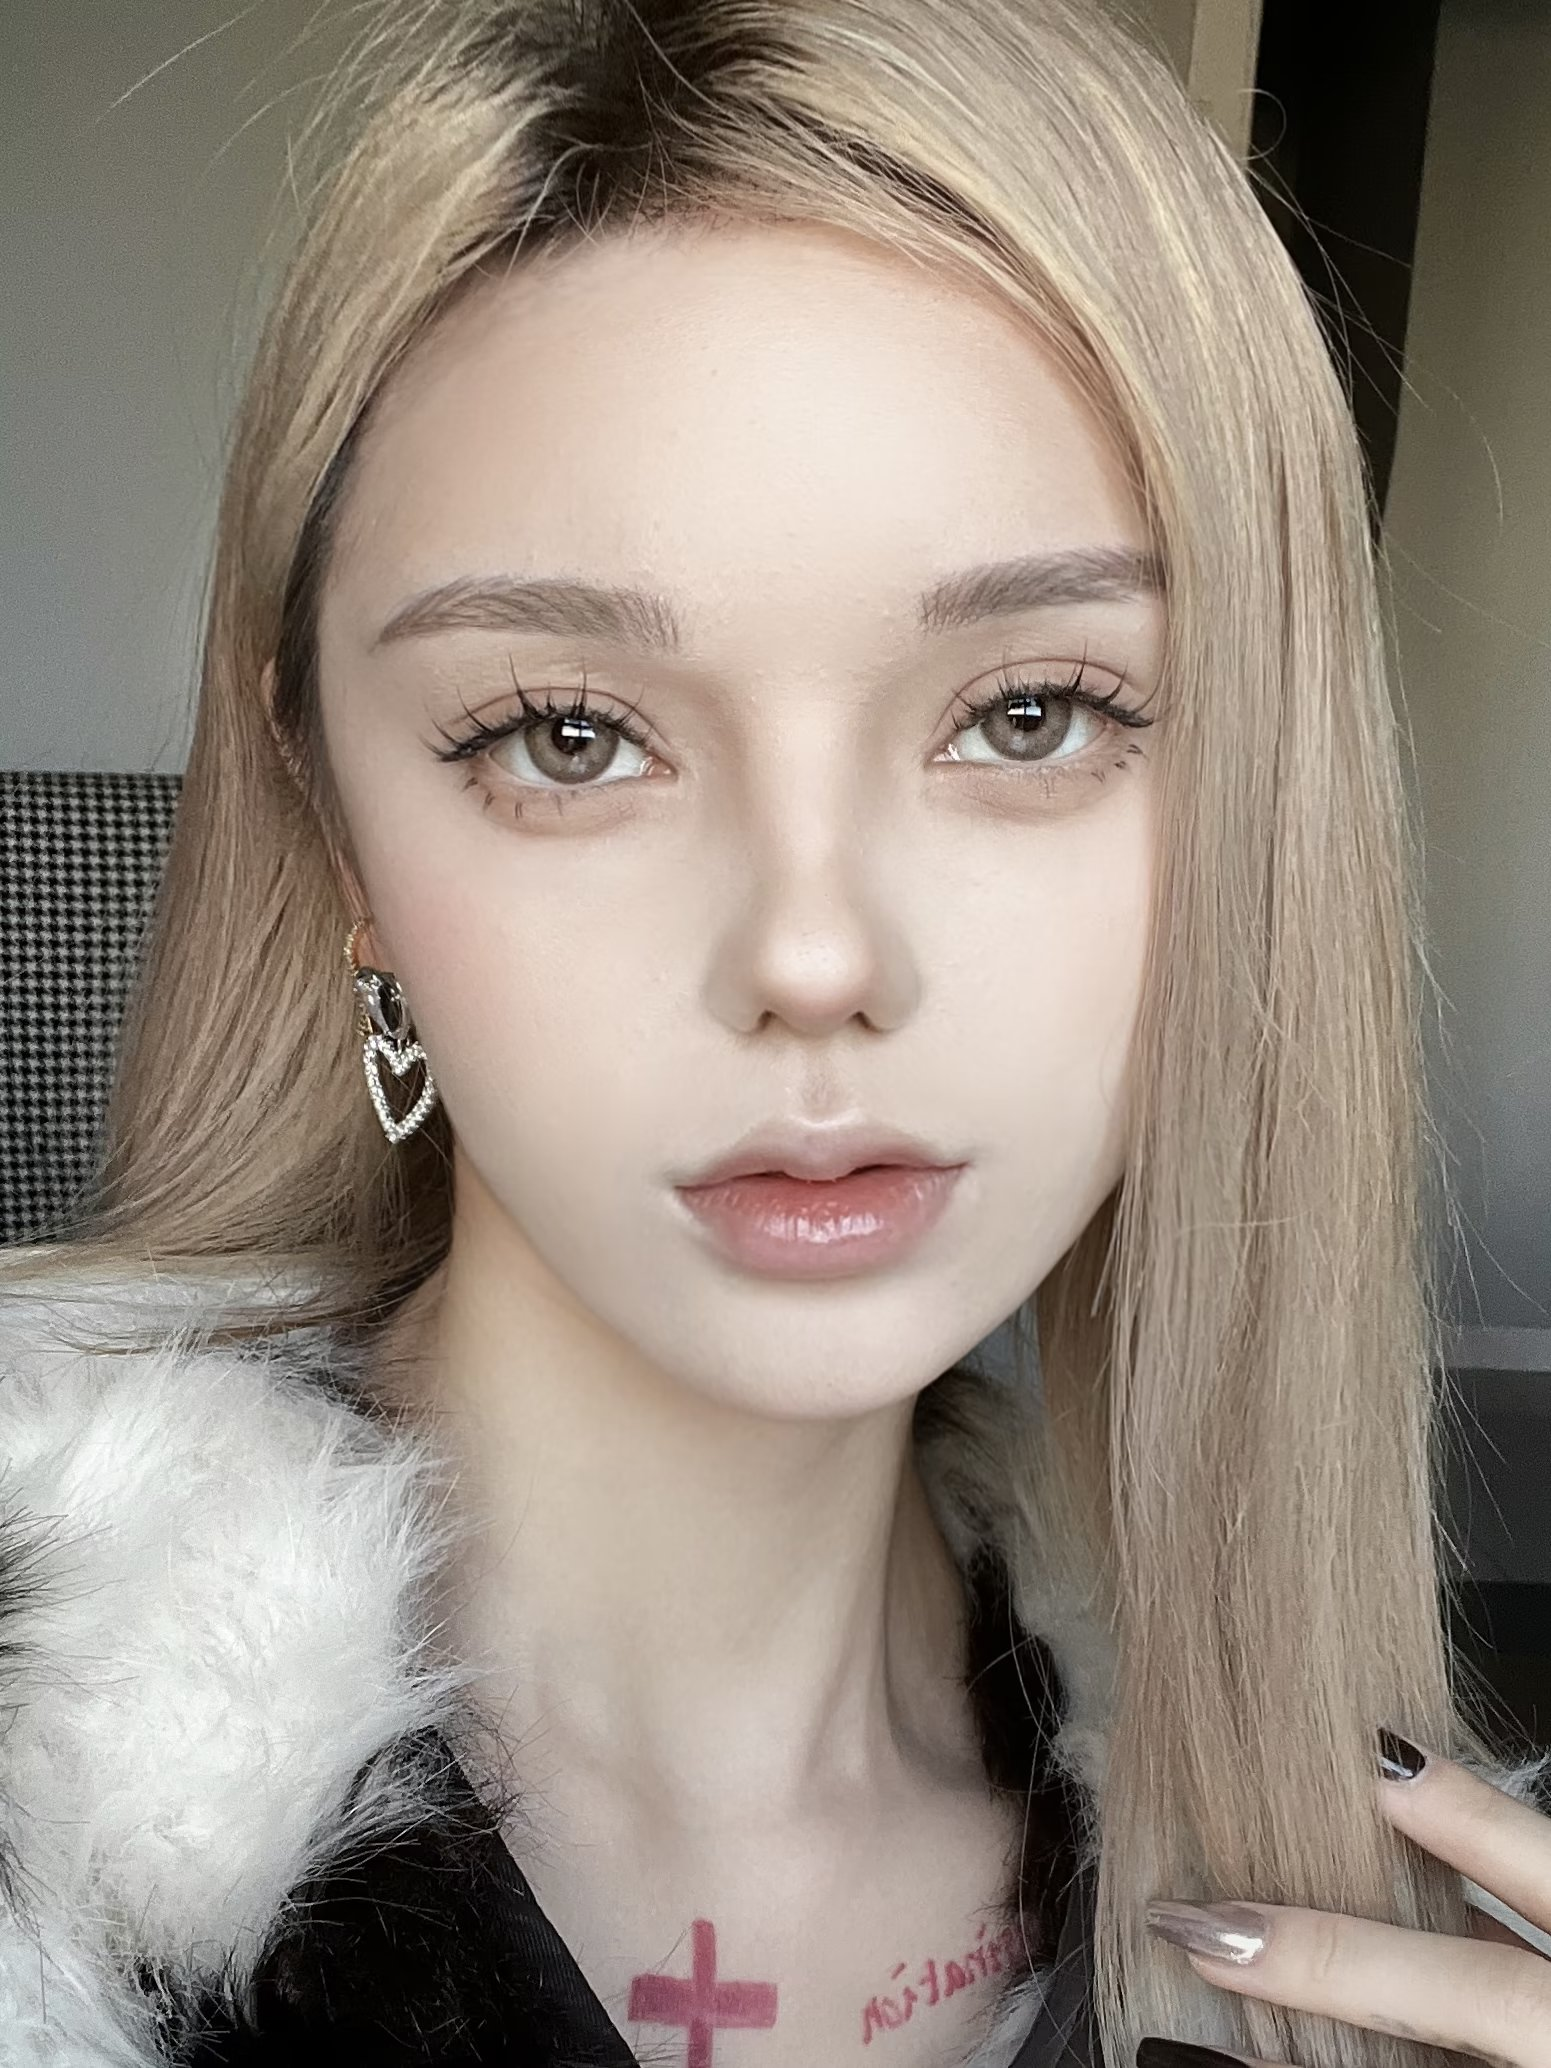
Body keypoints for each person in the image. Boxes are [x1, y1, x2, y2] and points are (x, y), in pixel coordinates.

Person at [4, 2, 1551, 2064]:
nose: (814, 953)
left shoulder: (1365, 1901)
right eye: (569, 736)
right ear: (337, 834)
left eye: (1030, 715)